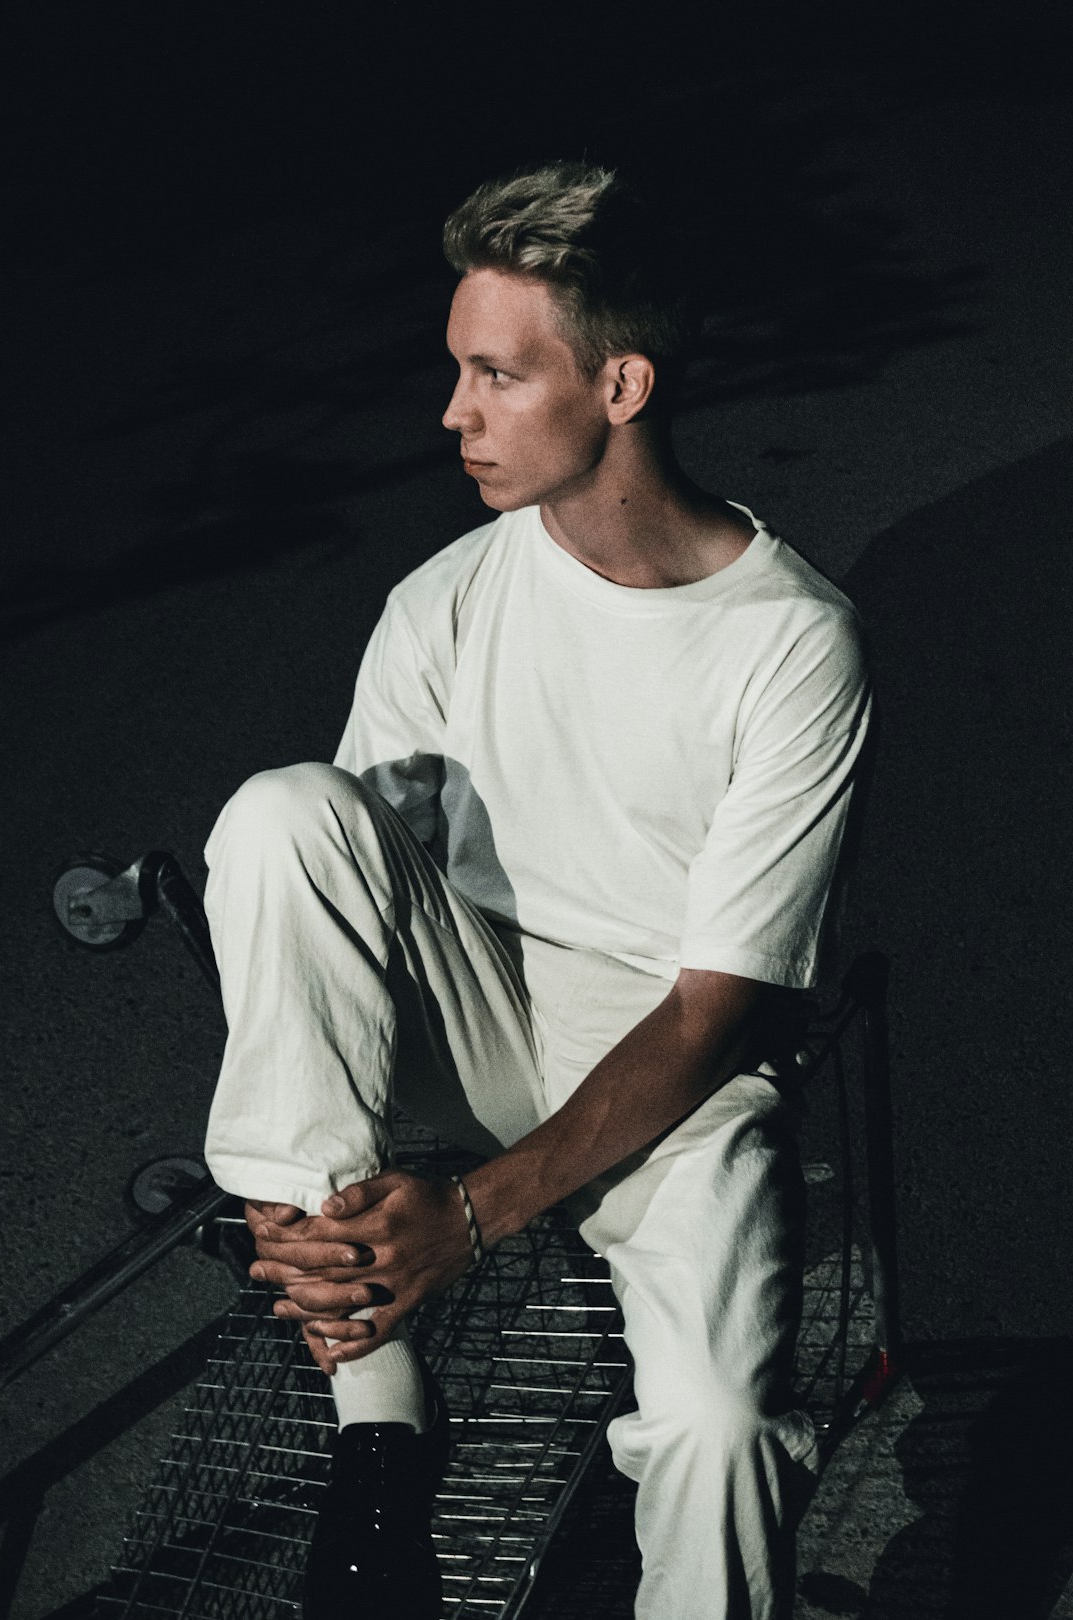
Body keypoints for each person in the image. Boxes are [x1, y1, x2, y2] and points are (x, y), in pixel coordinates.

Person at [202, 160, 872, 1619]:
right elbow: (335, 909)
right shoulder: (444, 599)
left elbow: (716, 1010)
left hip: (669, 1067)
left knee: (719, 1431)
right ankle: (384, 1418)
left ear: (620, 385)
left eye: (497, 376)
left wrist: (475, 1215)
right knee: (279, 817)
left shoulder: (792, 644)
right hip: (477, 1003)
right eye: (458, 373)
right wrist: (311, 1216)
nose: (455, 416)